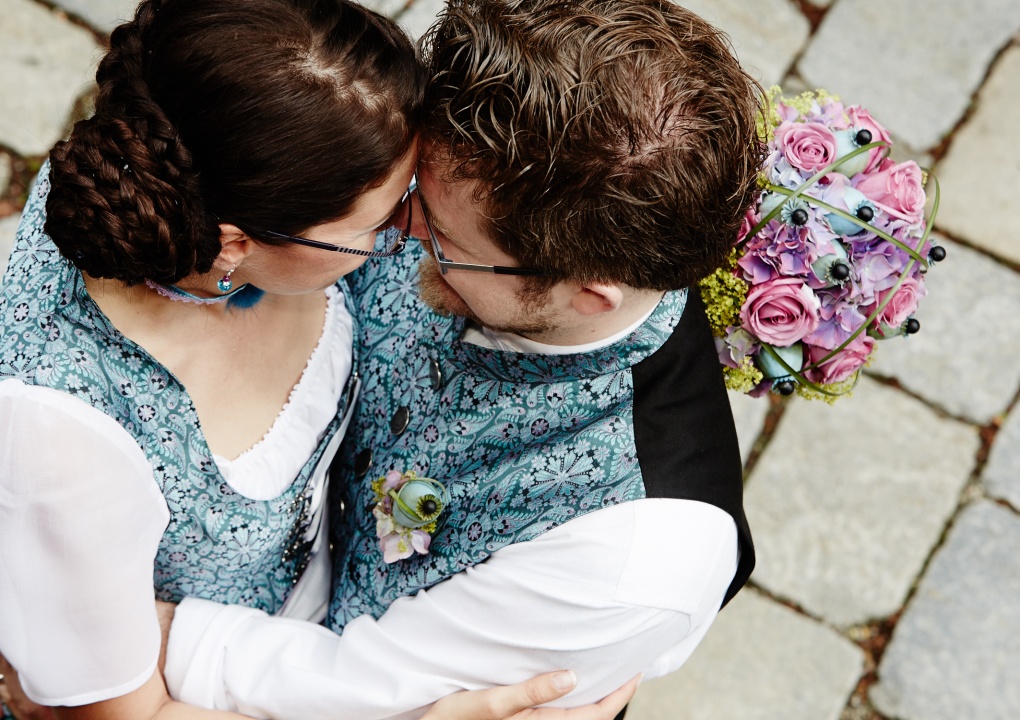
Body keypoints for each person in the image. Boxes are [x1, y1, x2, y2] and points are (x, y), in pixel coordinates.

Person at [0, 1, 630, 719]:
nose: (414, 230)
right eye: (381, 220)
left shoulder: (165, 160)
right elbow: (123, 715)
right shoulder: (63, 441)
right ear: (235, 244)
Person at [152, 0, 765, 717]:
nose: (394, 223)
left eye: (443, 237)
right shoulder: (473, 176)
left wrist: (120, 640)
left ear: (589, 296)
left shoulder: (629, 556)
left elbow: (362, 683)